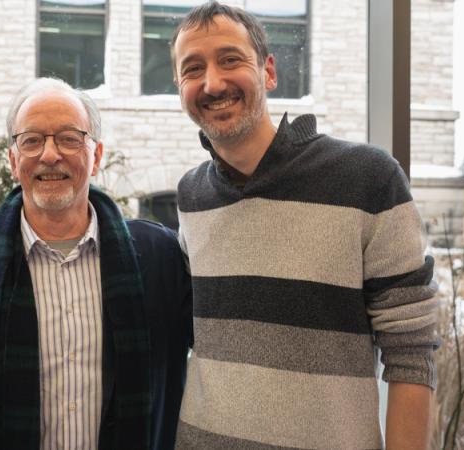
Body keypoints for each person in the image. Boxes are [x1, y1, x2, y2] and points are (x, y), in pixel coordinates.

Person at [170, 2, 439, 449]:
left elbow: (412, 351)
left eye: (230, 60)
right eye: (192, 68)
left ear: (268, 72)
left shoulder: (368, 178)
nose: (212, 83)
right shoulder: (190, 195)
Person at [0, 77, 193, 450]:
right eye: (32, 140)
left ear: (96, 156)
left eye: (69, 138)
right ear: (13, 160)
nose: (50, 155)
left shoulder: (160, 257)